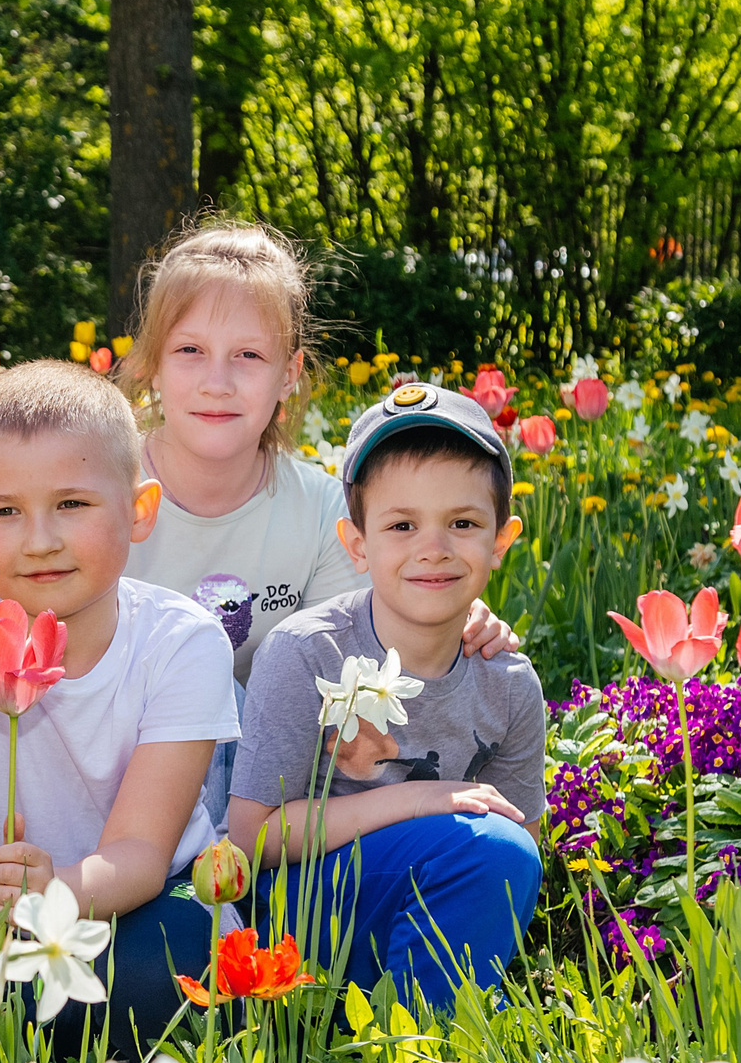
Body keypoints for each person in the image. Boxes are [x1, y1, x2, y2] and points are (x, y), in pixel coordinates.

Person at [0, 359, 239, 1061]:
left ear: (139, 511)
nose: (39, 538)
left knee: (148, 982)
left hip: (143, 901)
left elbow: (141, 851)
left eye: (71, 504)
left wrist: (55, 893)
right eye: (5, 511)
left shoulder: (183, 642)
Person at [115, 220, 515, 822]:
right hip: (119, 775)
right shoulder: (101, 499)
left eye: (248, 355)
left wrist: (449, 612)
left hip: (273, 793)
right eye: (189, 350)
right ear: (151, 362)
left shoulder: (325, 511)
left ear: (289, 372)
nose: (217, 382)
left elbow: (360, 660)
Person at [225, 383, 546, 1007]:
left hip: (426, 894)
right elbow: (251, 840)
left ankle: (413, 1026)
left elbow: (518, 846)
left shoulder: (508, 685)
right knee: (488, 852)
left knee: (502, 855)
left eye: (463, 523)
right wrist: (420, 798)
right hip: (301, 908)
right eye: (402, 524)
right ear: (357, 544)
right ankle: (409, 1040)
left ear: (501, 541)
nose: (434, 547)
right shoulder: (306, 651)